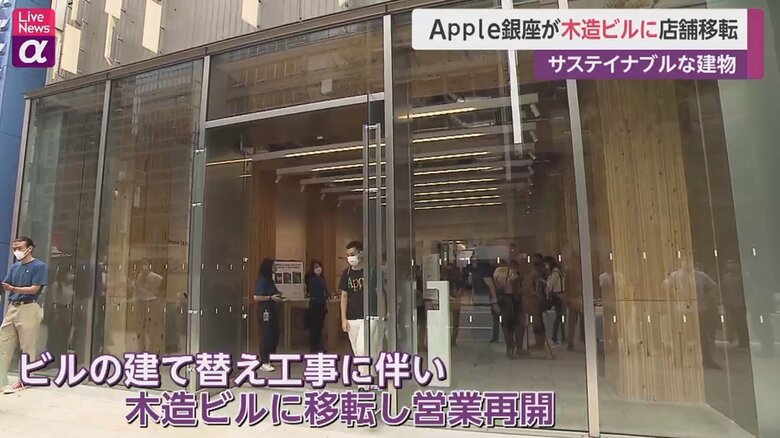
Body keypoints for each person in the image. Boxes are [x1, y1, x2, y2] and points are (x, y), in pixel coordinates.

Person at [0, 236, 48, 393]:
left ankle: (25, 379)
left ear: (29, 249)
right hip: (12, 307)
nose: (16, 251)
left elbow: (34, 289)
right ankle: (1, 379)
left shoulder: (39, 266)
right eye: (14, 248)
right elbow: (6, 284)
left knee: (27, 346)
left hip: (29, 307)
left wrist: (14, 288)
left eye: (20, 248)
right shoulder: (15, 266)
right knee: (3, 343)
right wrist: (10, 288)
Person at [339, 241, 381, 389]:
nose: (350, 258)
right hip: (352, 317)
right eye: (348, 255)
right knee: (358, 351)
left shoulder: (372, 272)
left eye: (352, 254)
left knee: (363, 348)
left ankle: (364, 383)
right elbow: (344, 296)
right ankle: (372, 376)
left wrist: (384, 314)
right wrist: (343, 318)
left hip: (370, 316)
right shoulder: (346, 274)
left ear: (361, 254)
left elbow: (381, 293)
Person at [254, 258, 284, 372]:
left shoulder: (270, 279)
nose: (276, 267)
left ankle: (271, 357)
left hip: (272, 310)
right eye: (274, 265)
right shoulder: (262, 280)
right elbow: (256, 297)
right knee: (266, 335)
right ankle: (264, 361)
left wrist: (278, 294)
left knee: (274, 333)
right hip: (265, 311)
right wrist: (271, 297)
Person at [493, 260, 525, 358]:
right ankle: (519, 347)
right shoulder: (513, 273)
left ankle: (510, 348)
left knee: (506, 325)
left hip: (503, 300)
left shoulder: (497, 273)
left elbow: (496, 286)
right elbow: (515, 285)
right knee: (519, 324)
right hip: (514, 299)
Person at [521, 253, 548, 352]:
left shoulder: (536, 274)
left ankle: (540, 344)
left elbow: (539, 287)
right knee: (535, 322)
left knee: (537, 323)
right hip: (531, 301)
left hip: (534, 301)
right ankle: (539, 343)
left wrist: (536, 295)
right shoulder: (531, 273)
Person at [305, 260, 328, 353]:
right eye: (316, 267)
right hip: (315, 304)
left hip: (321, 304)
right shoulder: (312, 279)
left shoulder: (321, 278)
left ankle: (319, 346)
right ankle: (314, 347)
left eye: (319, 266)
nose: (318, 269)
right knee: (314, 327)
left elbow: (324, 291)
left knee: (319, 327)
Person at [544, 256, 566, 345]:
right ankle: (562, 336)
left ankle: (555, 336)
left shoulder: (555, 273)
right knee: (560, 316)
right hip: (560, 295)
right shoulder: (558, 271)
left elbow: (550, 284)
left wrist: (546, 292)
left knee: (559, 316)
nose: (545, 266)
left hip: (557, 295)